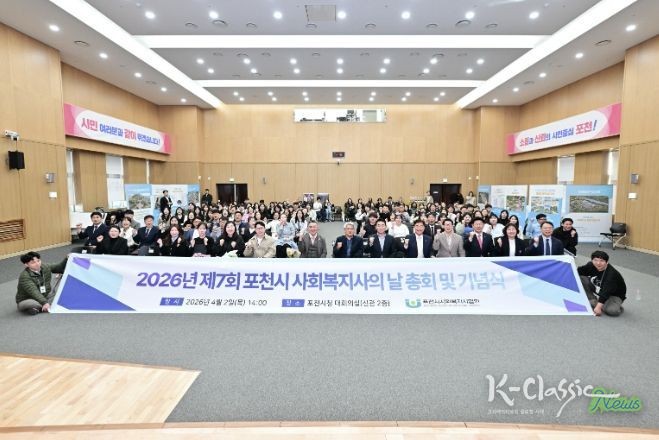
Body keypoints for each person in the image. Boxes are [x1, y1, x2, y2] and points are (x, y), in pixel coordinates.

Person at [578, 251, 626, 316]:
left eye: (602, 261)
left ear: (607, 262)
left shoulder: (611, 274)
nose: (598, 263)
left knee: (612, 311)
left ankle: (612, 304)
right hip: (598, 287)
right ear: (592, 260)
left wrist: (598, 307)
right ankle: (593, 299)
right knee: (580, 278)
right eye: (595, 260)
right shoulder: (591, 265)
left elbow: (606, 292)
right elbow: (577, 271)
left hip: (614, 295)